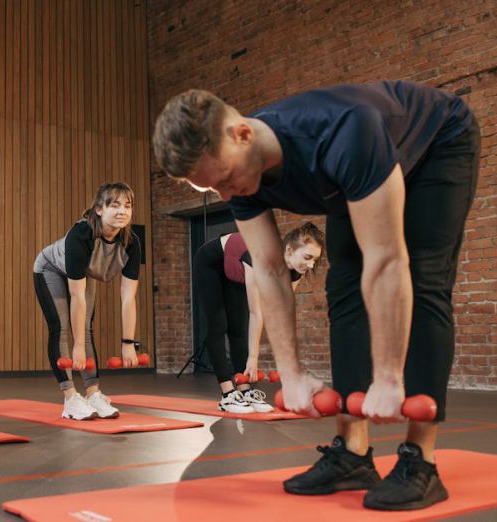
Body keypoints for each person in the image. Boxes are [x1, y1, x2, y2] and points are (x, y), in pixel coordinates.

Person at [153, 80, 478, 510]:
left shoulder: (343, 133)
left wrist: (387, 377)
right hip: (363, 167)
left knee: (424, 278)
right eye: (216, 189)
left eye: (229, 179)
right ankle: (353, 453)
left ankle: (420, 461)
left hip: (439, 143)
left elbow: (386, 261)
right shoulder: (238, 173)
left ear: (243, 134)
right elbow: (269, 269)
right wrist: (291, 374)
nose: (229, 194)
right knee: (342, 285)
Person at [33, 182, 143, 420]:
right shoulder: (80, 235)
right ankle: (71, 398)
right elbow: (77, 296)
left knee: (85, 330)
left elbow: (128, 297)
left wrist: (128, 343)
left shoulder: (132, 243)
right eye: (114, 205)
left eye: (127, 206)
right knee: (62, 328)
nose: (122, 211)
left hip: (83, 273)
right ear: (99, 209)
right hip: (50, 269)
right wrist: (78, 347)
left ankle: (93, 394)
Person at [193, 223, 324, 414]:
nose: (311, 265)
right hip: (210, 263)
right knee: (218, 325)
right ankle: (227, 394)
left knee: (238, 328)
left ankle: (245, 390)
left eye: (315, 259)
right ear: (289, 249)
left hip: (235, 270)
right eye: (308, 257)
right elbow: (256, 312)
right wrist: (252, 358)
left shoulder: (296, 269)